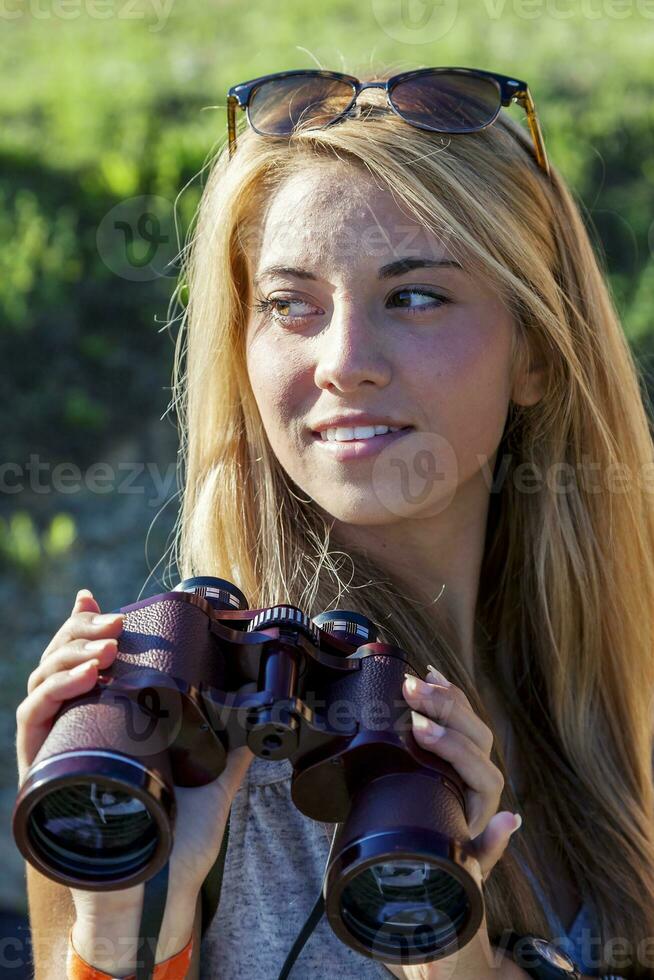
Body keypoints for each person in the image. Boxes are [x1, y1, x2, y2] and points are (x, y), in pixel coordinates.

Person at [15, 62, 654, 980]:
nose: (344, 362)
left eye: (416, 295)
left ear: (538, 354)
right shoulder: (146, 744)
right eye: (290, 305)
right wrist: (118, 934)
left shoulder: (602, 696)